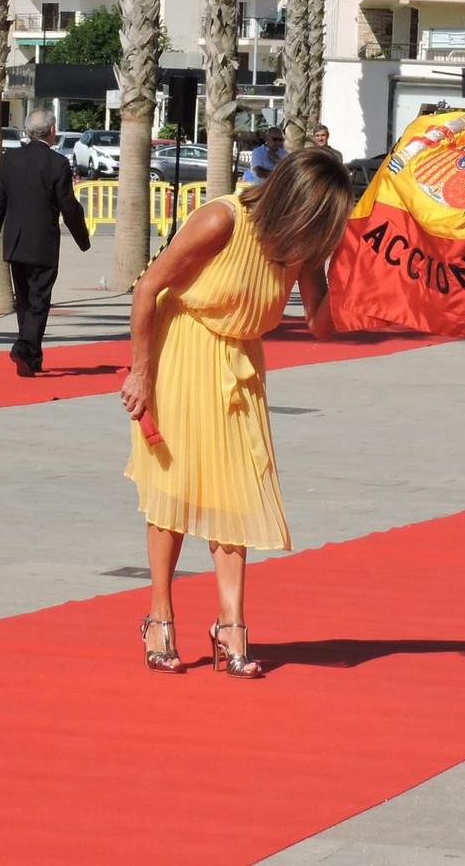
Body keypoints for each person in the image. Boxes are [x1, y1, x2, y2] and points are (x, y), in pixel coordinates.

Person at [120, 146, 347, 677]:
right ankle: (159, 615)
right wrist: (141, 371)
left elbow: (321, 325)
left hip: (241, 363)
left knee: (238, 490)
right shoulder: (222, 220)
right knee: (174, 489)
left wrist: (355, 275)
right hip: (182, 352)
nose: (317, 237)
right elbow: (151, 287)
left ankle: (231, 623)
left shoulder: (301, 247)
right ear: (294, 202)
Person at [0, 106, 90, 376]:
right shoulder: (57, 164)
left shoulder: (10, 160)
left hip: (15, 243)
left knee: (26, 301)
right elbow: (68, 205)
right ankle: (23, 346)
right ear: (52, 131)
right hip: (43, 244)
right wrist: (82, 238)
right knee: (39, 301)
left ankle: (32, 358)